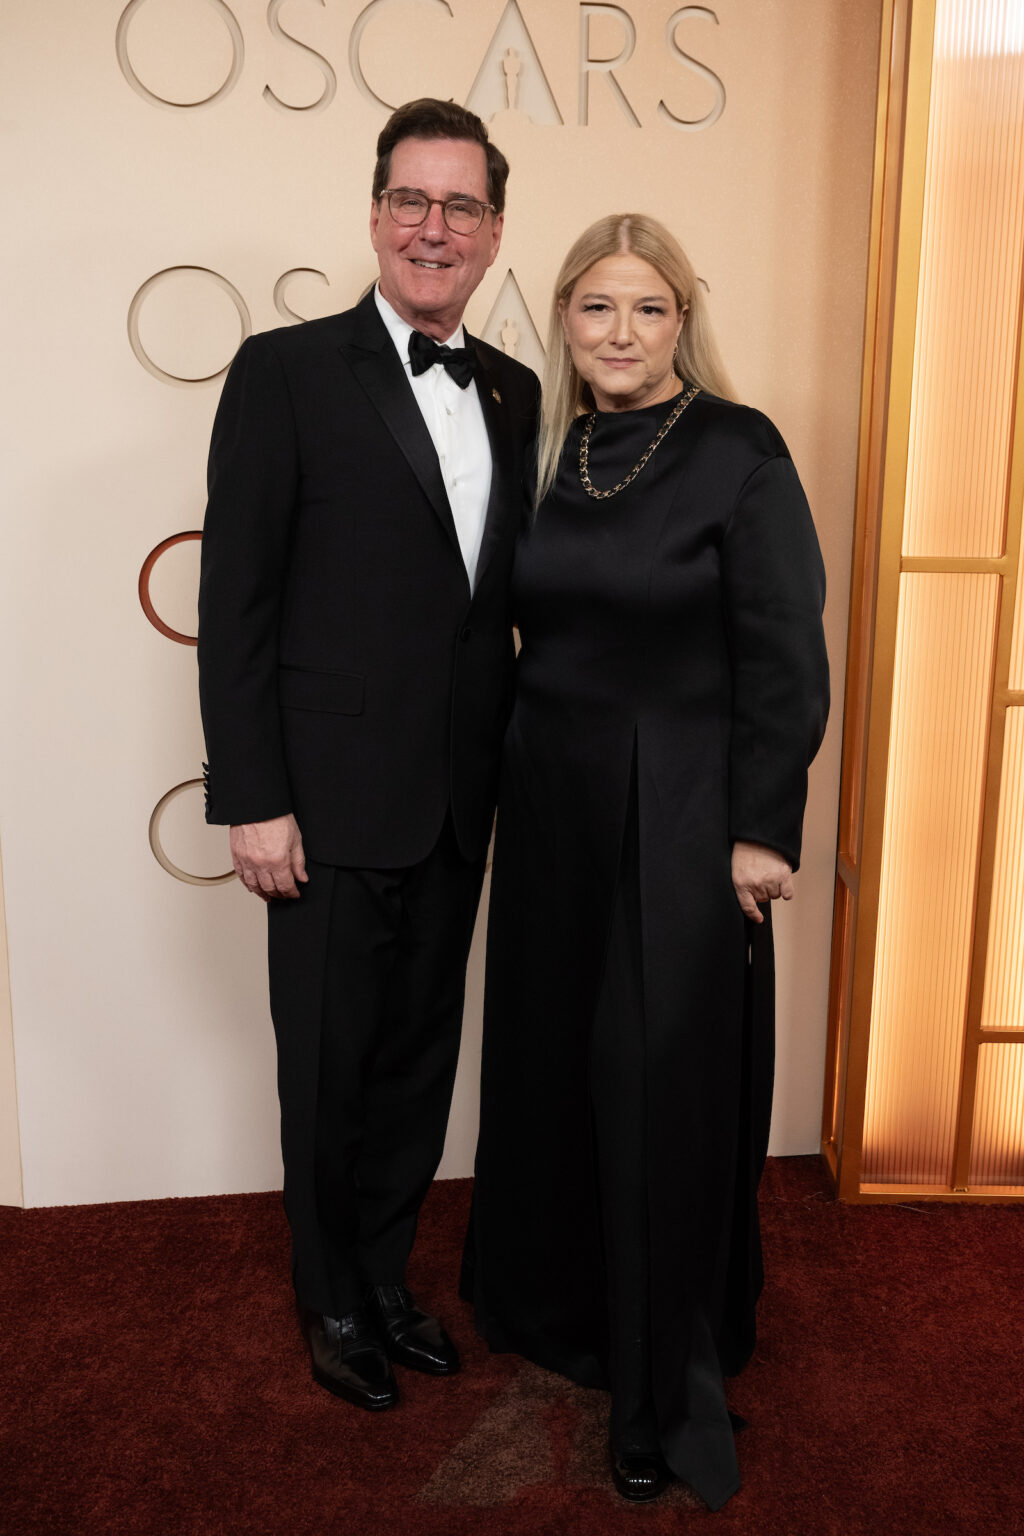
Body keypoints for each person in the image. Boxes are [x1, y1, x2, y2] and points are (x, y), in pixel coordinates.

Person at [461, 214, 829, 1509]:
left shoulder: (738, 448)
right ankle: (561, 1314)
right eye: (597, 309)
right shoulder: (546, 450)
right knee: (557, 1070)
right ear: (563, 318)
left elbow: (786, 649)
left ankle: (658, 1383)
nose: (621, 334)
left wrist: (761, 826)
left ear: (685, 318)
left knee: (656, 1090)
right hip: (552, 805)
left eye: (648, 310)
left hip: (682, 815)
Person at [197, 99, 539, 1412]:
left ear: (495, 230)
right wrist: (255, 798)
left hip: (459, 798)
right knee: (327, 1065)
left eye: (460, 205)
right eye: (412, 199)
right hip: (325, 804)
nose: (433, 226)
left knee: (416, 1064)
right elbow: (240, 602)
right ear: (377, 212)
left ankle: (388, 1278)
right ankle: (328, 1292)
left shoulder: (510, 389)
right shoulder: (284, 372)